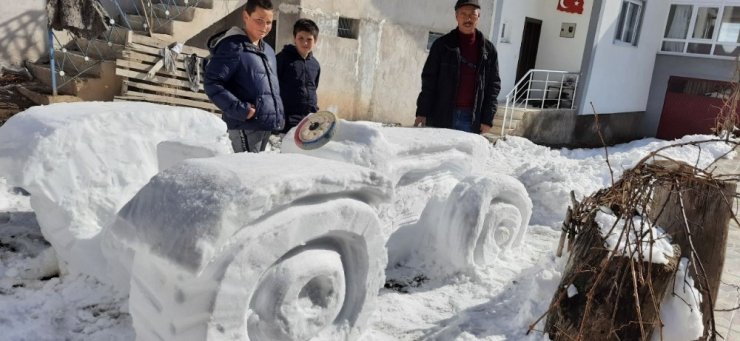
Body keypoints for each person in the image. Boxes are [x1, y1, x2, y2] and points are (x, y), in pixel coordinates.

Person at [204, 0, 284, 153]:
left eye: (268, 22)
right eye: (259, 20)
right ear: (246, 16)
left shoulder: (268, 50)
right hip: (244, 125)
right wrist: (241, 110)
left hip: (265, 125)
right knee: (247, 174)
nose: (264, 27)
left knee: (259, 173)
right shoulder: (232, 47)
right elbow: (212, 82)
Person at [414, 0, 501, 134]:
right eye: (463, 14)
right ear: (456, 16)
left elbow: (493, 86)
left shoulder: (488, 51)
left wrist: (487, 119)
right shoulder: (442, 45)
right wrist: (422, 112)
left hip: (471, 119)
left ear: (479, 16)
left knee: (465, 155)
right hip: (441, 114)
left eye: (472, 14)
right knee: (438, 154)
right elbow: (429, 81)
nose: (468, 18)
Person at [276, 18, 321, 134]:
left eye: (309, 39)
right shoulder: (282, 59)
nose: (305, 43)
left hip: (309, 121)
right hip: (287, 122)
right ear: (294, 38)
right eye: (301, 38)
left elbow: (313, 89)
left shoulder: (315, 65)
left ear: (315, 40)